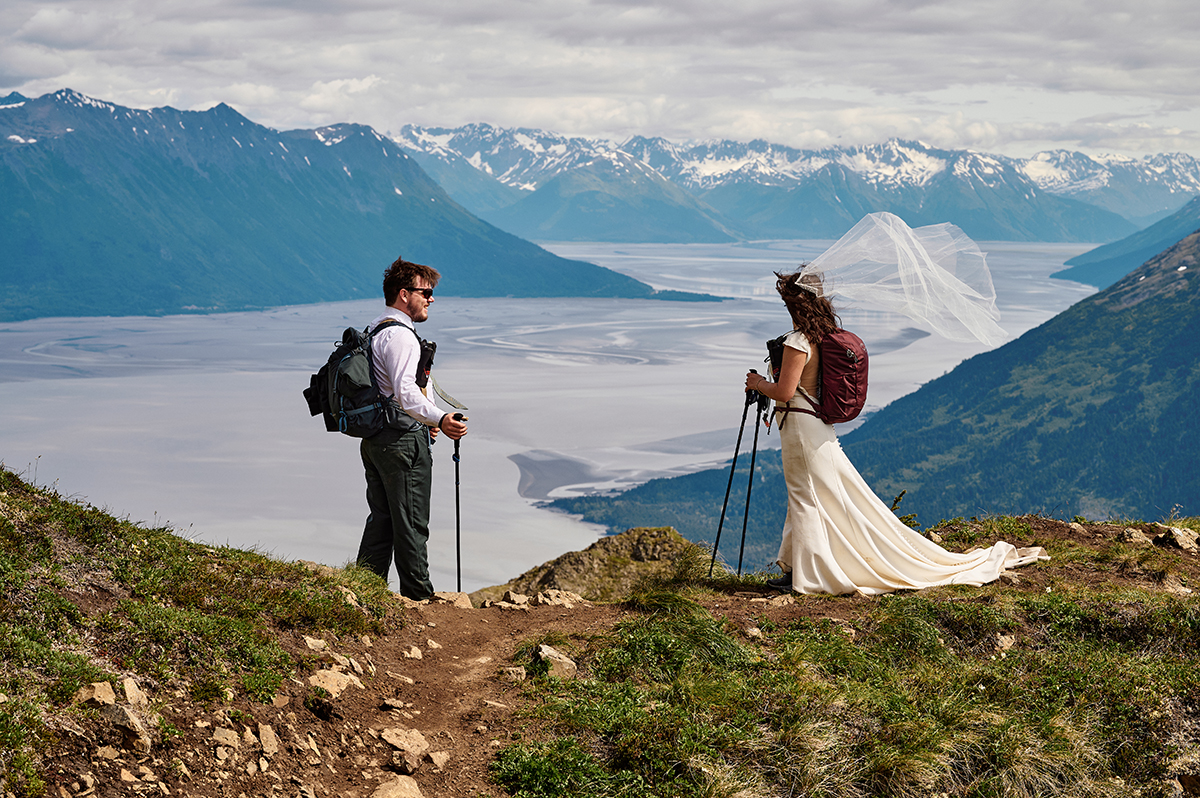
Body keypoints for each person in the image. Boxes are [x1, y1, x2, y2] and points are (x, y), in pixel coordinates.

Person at [744, 270, 1045, 596]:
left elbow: (785, 391)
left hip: (800, 431)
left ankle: (808, 575)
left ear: (795, 304)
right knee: (811, 497)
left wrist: (757, 383)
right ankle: (799, 568)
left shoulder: (797, 341)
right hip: (815, 427)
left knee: (804, 498)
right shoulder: (821, 336)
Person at [357, 256, 468, 600]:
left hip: (376, 439)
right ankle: (420, 601)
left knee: (383, 521)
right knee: (412, 523)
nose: (431, 298)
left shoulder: (376, 329)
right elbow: (406, 392)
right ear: (404, 294)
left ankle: (364, 590)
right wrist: (439, 419)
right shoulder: (402, 337)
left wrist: (429, 417)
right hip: (403, 442)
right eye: (427, 292)